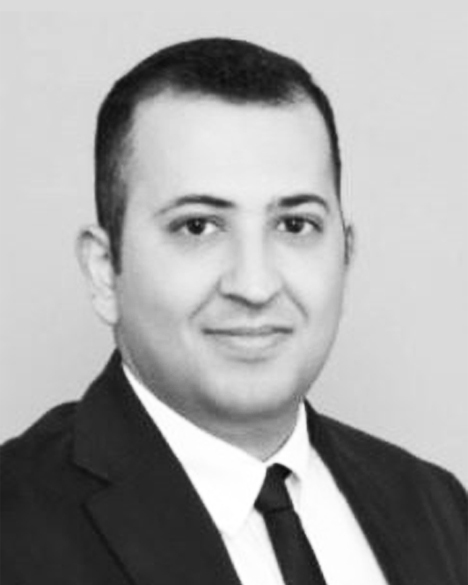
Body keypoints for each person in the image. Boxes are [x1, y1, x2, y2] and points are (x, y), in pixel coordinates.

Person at [1, 38, 466, 585]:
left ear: (346, 253)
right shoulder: (14, 527)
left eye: (295, 224)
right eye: (197, 226)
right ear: (104, 270)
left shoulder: (437, 507)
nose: (254, 285)